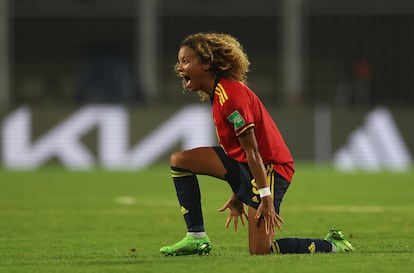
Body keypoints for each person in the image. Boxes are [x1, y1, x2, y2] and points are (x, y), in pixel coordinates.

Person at [160, 32, 354, 256]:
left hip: (271, 167)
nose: (180, 68)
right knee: (180, 161)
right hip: (245, 163)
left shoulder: (230, 98)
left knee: (260, 250)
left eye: (186, 61)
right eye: (179, 62)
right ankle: (196, 238)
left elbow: (252, 150)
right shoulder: (219, 93)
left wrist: (265, 197)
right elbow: (238, 152)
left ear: (206, 63)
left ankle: (332, 245)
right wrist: (239, 192)